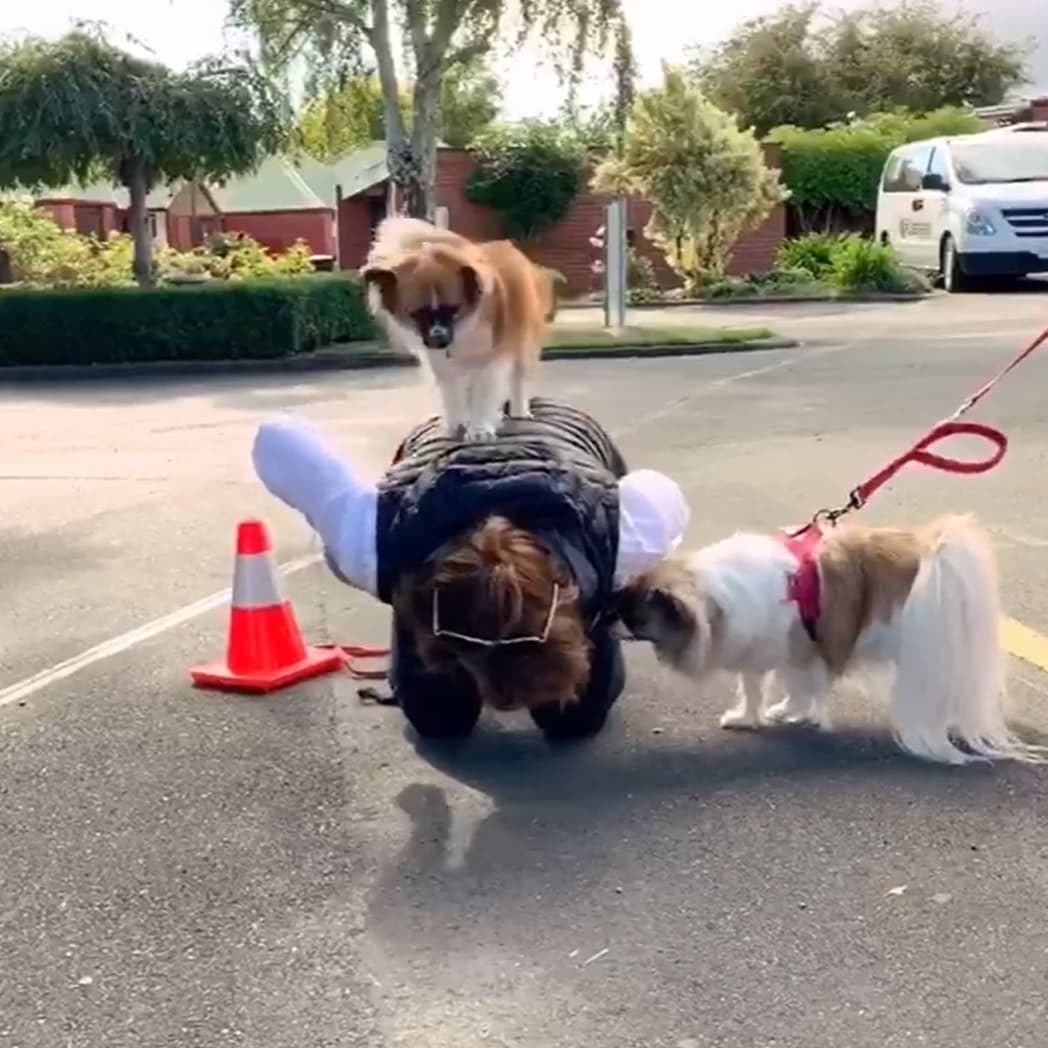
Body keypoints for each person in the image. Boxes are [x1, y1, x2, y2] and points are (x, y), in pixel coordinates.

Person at [252, 397, 689, 741]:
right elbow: (277, 438)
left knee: (576, 721)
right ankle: (437, 656)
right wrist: (363, 564)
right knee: (438, 720)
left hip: (570, 440)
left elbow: (280, 438)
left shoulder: (616, 534)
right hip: (446, 440)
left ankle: (571, 643)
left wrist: (616, 590)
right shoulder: (380, 542)